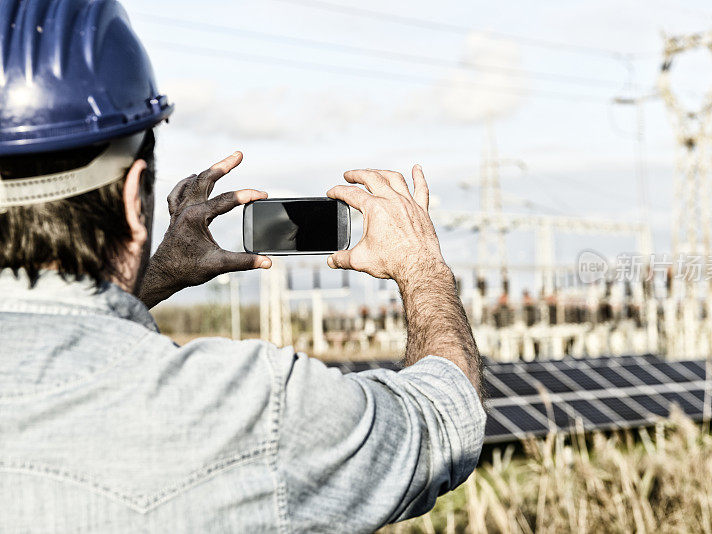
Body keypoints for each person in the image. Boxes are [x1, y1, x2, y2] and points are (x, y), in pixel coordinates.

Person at [0, 1, 485, 532]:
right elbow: (444, 421)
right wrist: (422, 267)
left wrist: (158, 275)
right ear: (133, 196)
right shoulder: (250, 413)